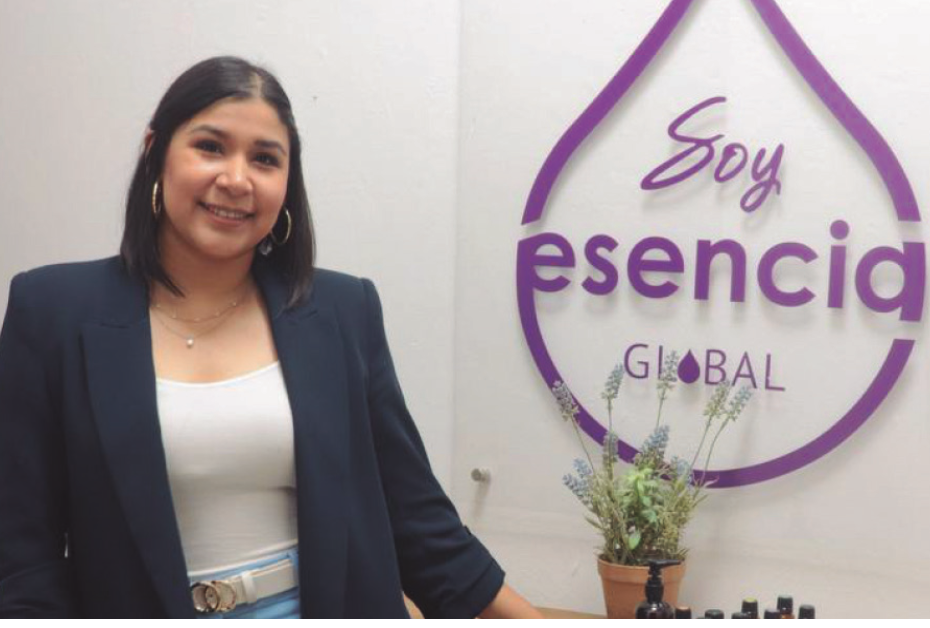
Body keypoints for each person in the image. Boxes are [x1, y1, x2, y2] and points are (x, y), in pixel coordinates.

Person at [0, 56, 541, 618]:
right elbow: (21, 558)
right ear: (155, 151)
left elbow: (419, 522)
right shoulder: (52, 311)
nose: (236, 180)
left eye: (264, 159)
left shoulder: (342, 311)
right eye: (210, 146)